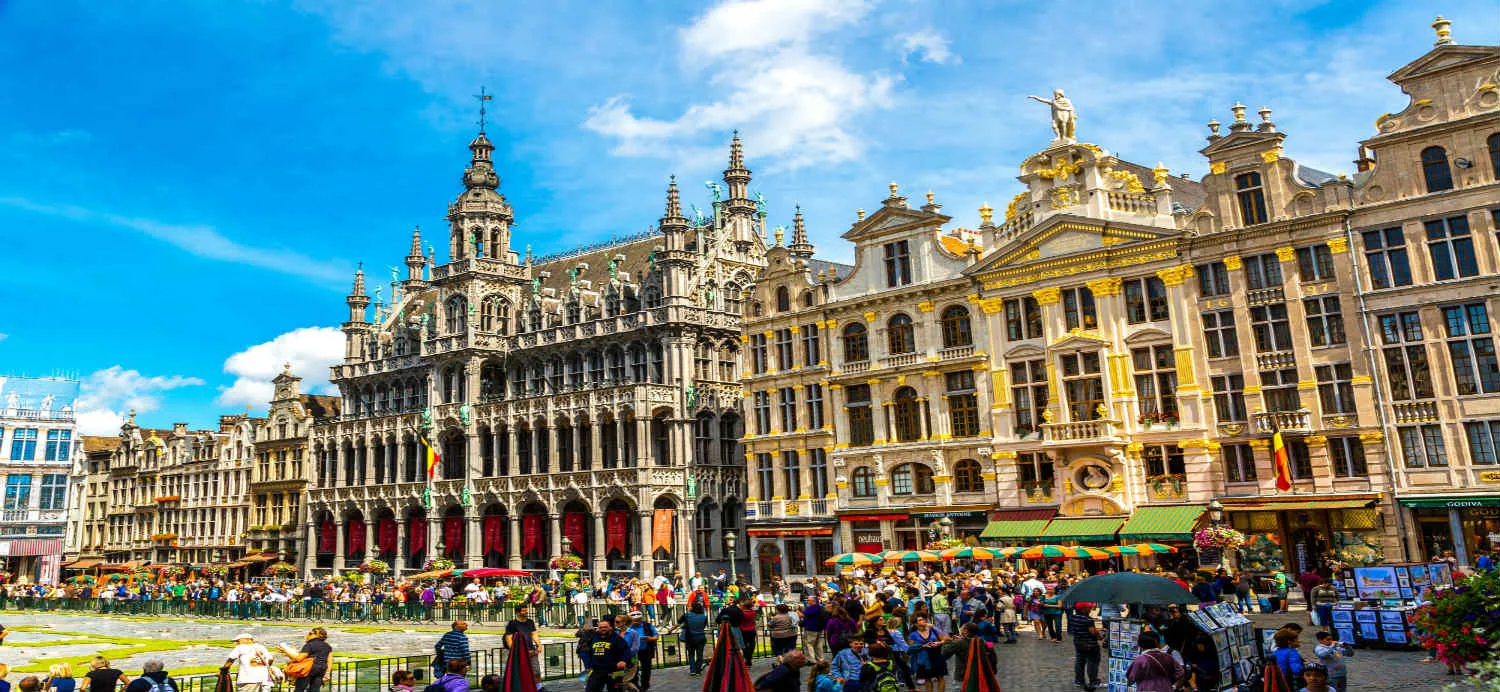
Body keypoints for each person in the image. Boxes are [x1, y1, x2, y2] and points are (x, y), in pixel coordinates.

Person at [578, 618, 629, 692]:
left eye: (605, 627)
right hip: (597, 670)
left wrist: (623, 661)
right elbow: (588, 651)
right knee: (591, 689)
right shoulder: (594, 637)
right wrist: (588, 666)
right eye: (601, 627)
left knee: (616, 690)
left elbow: (626, 650)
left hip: (615, 670)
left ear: (610, 627)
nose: (603, 629)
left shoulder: (617, 638)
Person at [279, 627, 333, 692]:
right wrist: (327, 672)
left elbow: (299, 658)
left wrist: (285, 650)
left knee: (299, 689)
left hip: (309, 669)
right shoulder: (327, 646)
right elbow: (329, 660)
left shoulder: (309, 644)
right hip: (321, 669)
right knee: (315, 689)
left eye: (310, 633)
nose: (307, 635)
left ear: (316, 635)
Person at [906, 615, 946, 692]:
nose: (924, 620)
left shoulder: (933, 629)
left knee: (940, 677)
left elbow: (943, 640)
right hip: (924, 659)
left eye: (923, 619)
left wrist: (938, 642)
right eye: (920, 620)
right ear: (915, 624)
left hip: (936, 655)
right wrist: (923, 646)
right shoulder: (913, 634)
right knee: (927, 679)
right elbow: (911, 648)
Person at [1068, 604, 1102, 692]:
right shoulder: (1088, 619)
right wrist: (1099, 635)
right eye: (1089, 607)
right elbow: (1093, 632)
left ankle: (1079, 680)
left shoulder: (1073, 617)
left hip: (1078, 642)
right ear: (1082, 609)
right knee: (1092, 662)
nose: (1090, 609)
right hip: (1090, 644)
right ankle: (1093, 681)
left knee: (1080, 661)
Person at [670, 602, 708, 675]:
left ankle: (693, 670)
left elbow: (677, 624)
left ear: (692, 608)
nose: (688, 607)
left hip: (690, 637)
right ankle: (698, 670)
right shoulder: (704, 617)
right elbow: (703, 626)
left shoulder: (687, 615)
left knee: (691, 654)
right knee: (700, 654)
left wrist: (670, 630)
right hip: (701, 637)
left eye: (690, 606)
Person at [505, 607, 541, 686]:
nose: (526, 612)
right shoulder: (512, 624)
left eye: (526, 610)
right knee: (521, 672)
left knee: (536, 671)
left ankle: (538, 688)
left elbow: (534, 634)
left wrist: (539, 645)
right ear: (517, 613)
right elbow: (508, 638)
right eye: (523, 611)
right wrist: (514, 651)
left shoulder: (530, 622)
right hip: (519, 651)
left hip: (531, 650)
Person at [626, 611, 659, 692]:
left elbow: (656, 636)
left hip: (645, 651)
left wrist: (649, 638)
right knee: (634, 669)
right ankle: (635, 685)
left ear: (641, 619)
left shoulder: (648, 626)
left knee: (646, 669)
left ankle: (645, 685)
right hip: (634, 653)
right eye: (634, 620)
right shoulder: (628, 627)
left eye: (638, 620)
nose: (636, 621)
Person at [800, 597, 830, 664]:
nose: (807, 601)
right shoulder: (821, 607)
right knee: (819, 644)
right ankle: (820, 659)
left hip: (811, 628)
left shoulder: (812, 608)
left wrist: (798, 611)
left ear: (813, 601)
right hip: (820, 628)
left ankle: (811, 659)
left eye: (808, 600)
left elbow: (803, 615)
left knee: (809, 644)